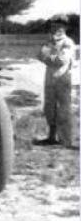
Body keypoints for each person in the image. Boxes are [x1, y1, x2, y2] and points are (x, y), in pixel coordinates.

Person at [33, 14, 75, 148]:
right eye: (54, 26)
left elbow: (61, 60)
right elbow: (39, 55)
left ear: (65, 27)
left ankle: (65, 140)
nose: (56, 29)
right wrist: (49, 54)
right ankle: (51, 137)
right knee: (50, 108)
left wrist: (48, 56)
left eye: (60, 26)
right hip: (50, 78)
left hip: (63, 79)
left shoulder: (67, 42)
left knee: (63, 109)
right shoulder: (50, 42)